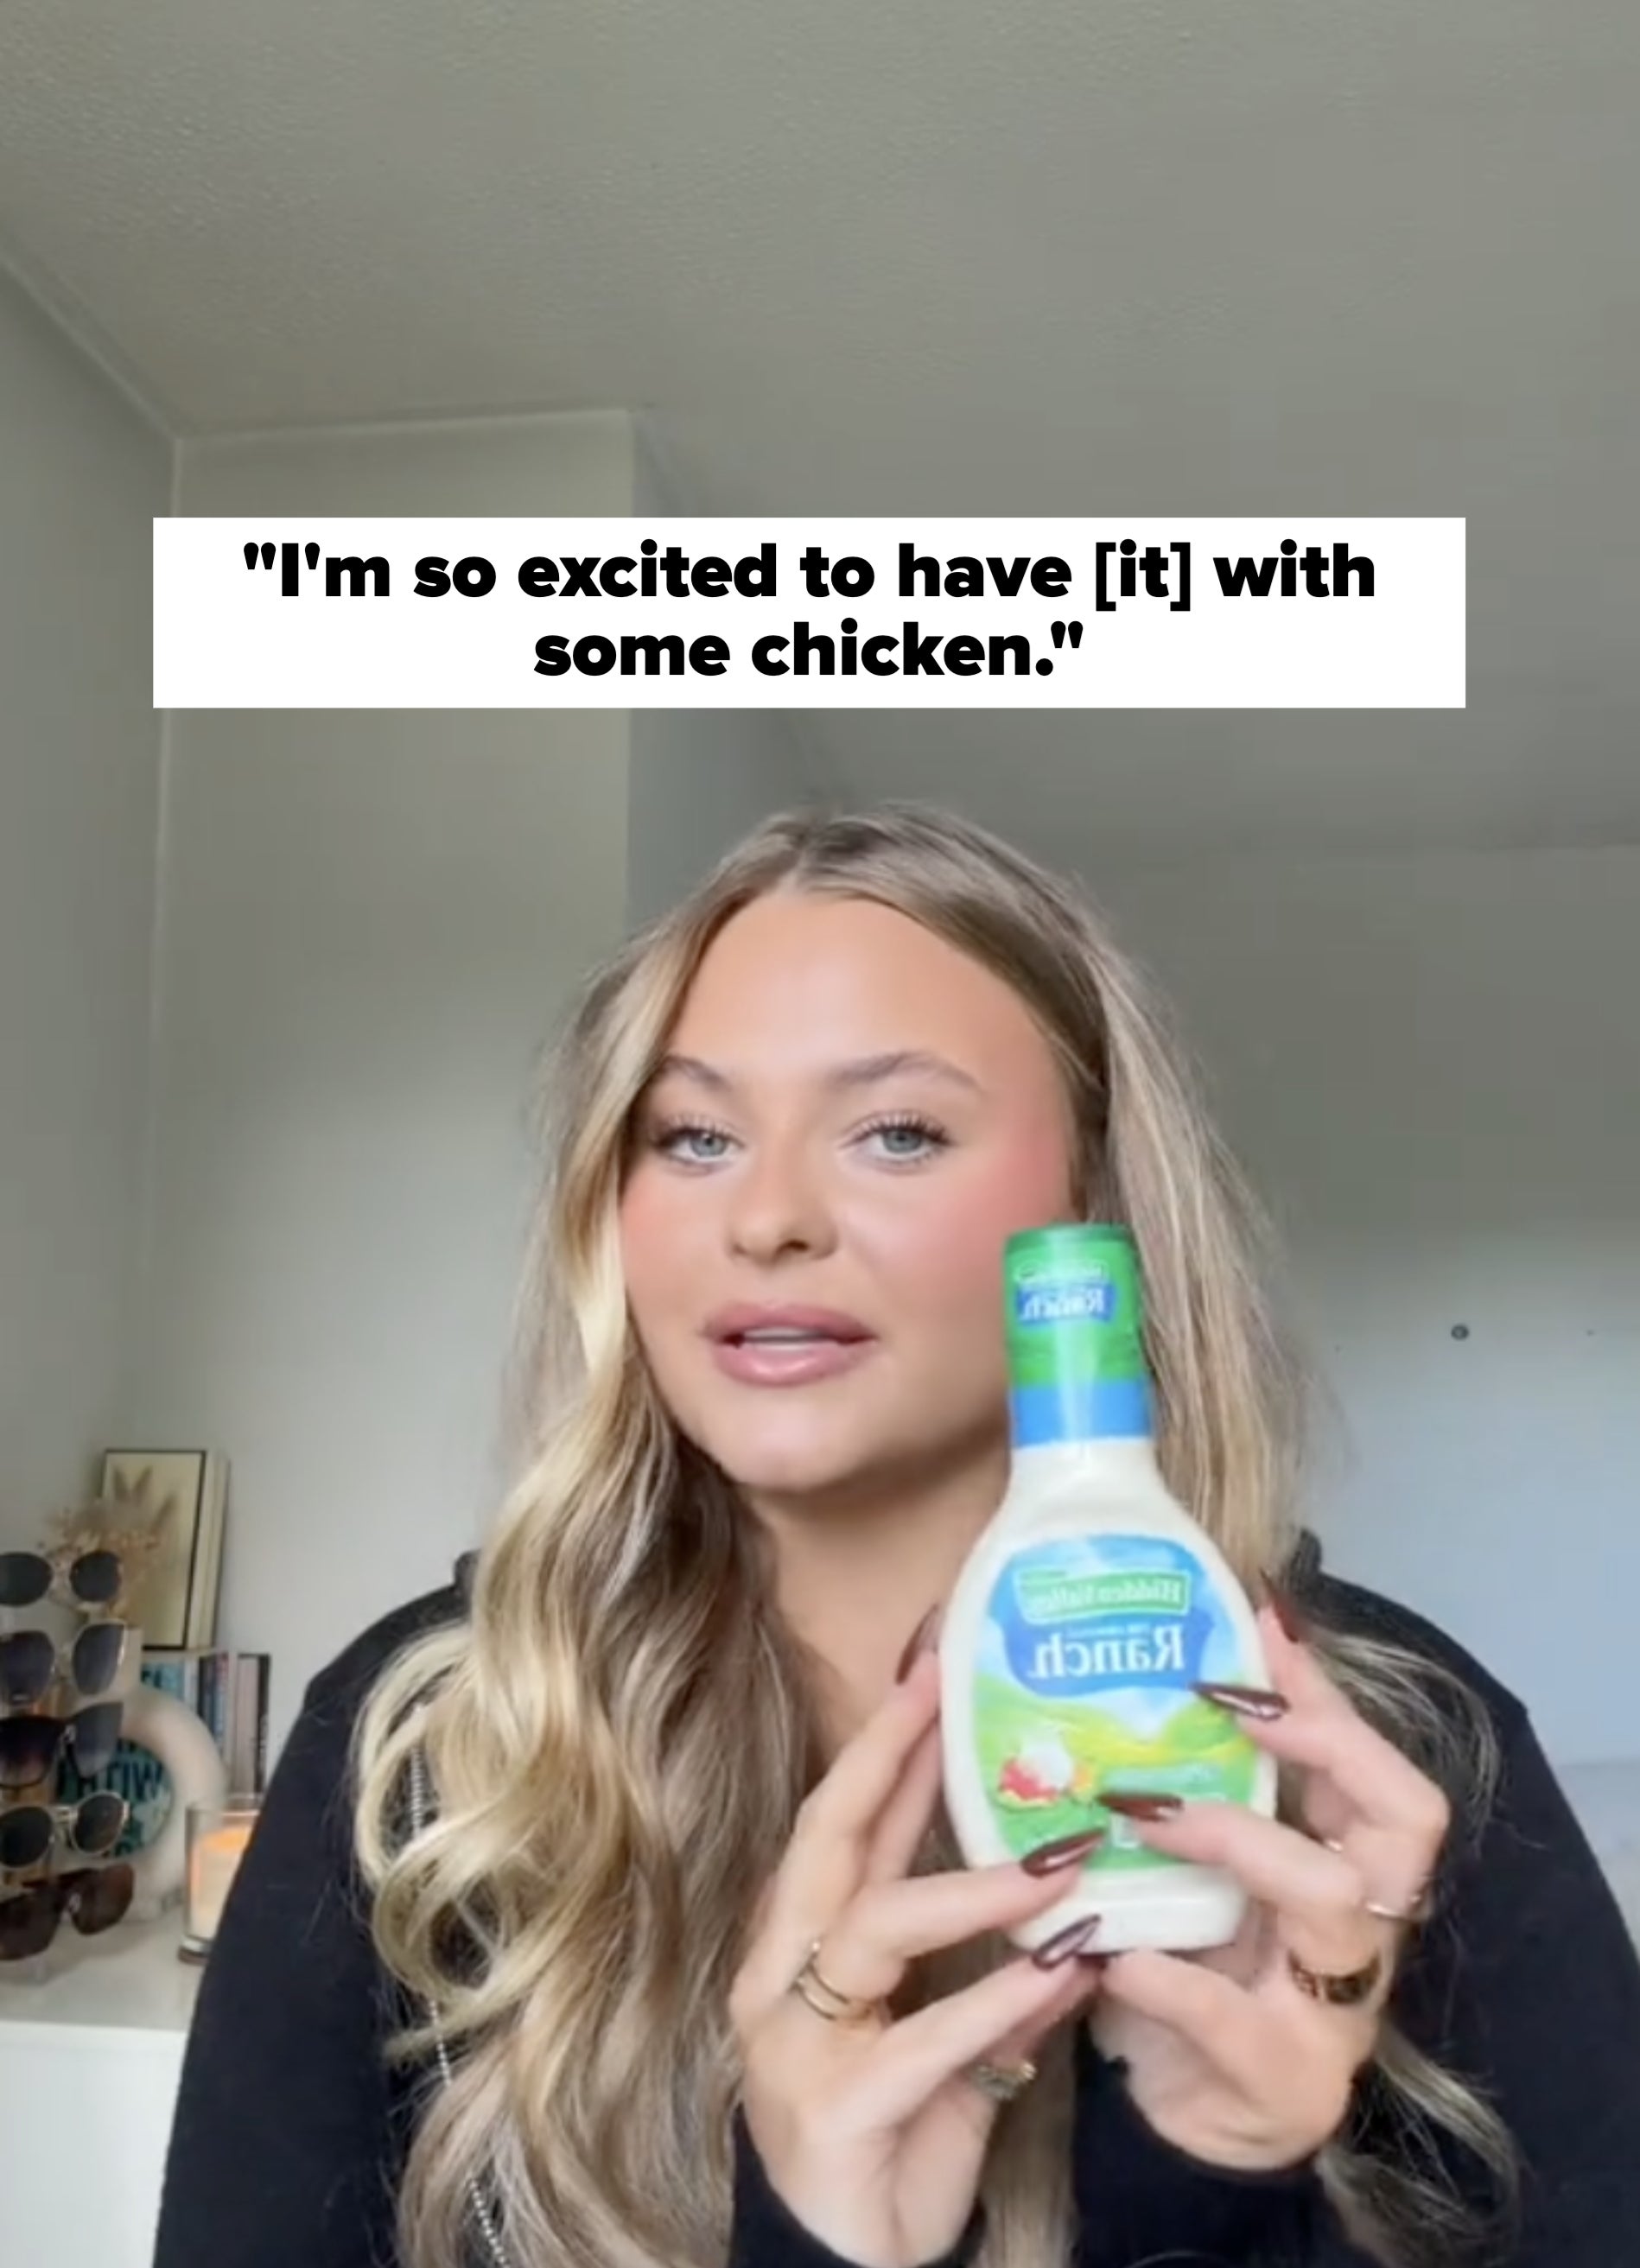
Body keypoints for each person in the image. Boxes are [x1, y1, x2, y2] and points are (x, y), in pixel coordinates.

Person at [153, 802, 1640, 2268]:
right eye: (691, 1135)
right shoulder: (430, 1753)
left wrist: (1205, 2183)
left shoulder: (1396, 1762)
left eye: (897, 1130)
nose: (770, 1217)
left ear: (1090, 1212)